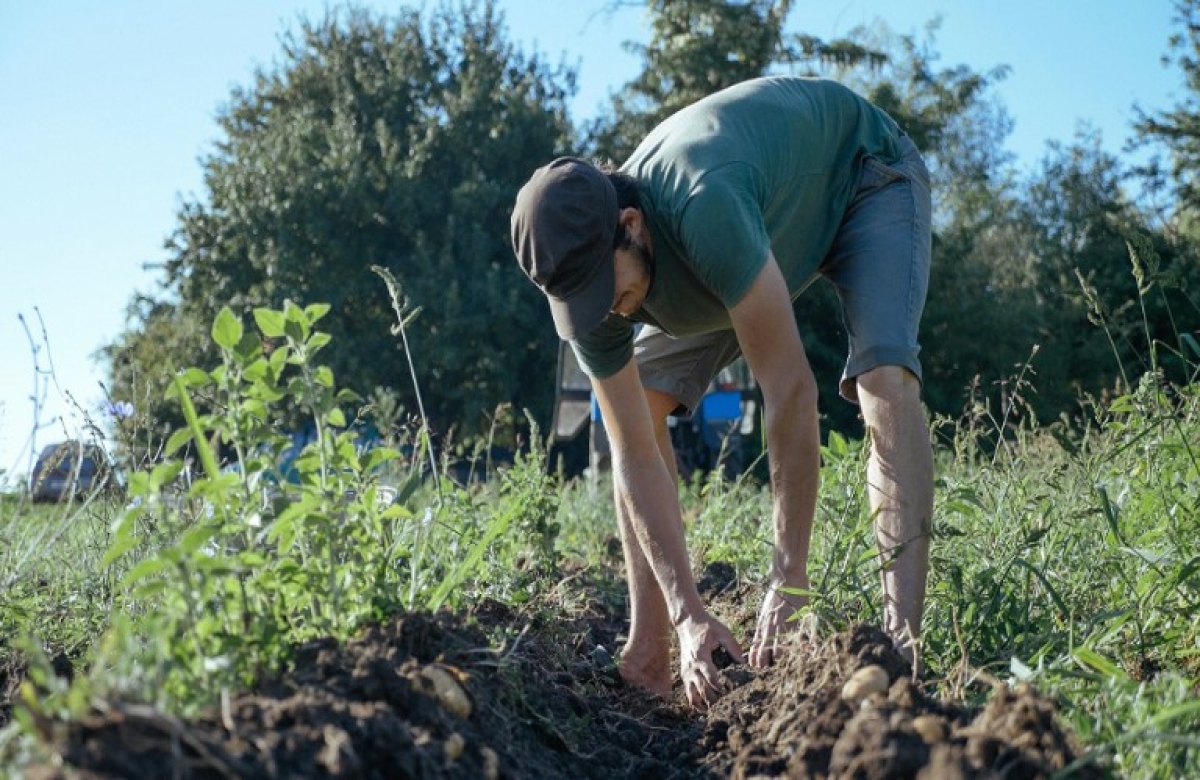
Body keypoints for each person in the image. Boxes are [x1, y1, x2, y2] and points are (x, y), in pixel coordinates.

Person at [510, 76, 933, 709]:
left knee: (882, 383)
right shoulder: (590, 299)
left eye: (606, 288)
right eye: (583, 302)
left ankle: (899, 653)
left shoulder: (699, 203)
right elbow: (632, 454)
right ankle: (651, 650)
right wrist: (687, 614)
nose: (604, 313)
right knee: (641, 413)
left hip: (864, 176)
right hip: (758, 238)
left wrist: (788, 578)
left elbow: (789, 389)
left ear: (630, 224)